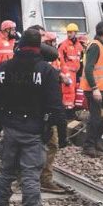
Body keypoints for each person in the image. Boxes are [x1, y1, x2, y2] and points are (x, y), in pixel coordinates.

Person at [0, 28, 63, 206]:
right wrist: (60, 135)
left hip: (10, 127)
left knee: (6, 171)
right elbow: (56, 106)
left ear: (19, 46)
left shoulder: (3, 69)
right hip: (33, 129)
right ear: (39, 46)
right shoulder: (47, 71)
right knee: (30, 175)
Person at [33, 28, 67, 195]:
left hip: (32, 112)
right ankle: (43, 179)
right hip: (44, 113)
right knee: (51, 144)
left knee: (32, 145)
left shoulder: (33, 61)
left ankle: (26, 176)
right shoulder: (44, 64)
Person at [80, 22, 103, 157]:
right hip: (94, 88)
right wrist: (95, 88)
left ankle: (95, 138)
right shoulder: (95, 46)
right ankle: (88, 146)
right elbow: (88, 68)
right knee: (95, 117)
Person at [57, 24, 83, 118]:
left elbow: (81, 60)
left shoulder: (79, 45)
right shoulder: (63, 45)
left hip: (75, 73)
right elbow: (61, 61)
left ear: (75, 33)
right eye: (68, 32)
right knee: (68, 92)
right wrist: (65, 74)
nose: (69, 34)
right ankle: (67, 113)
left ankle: (72, 111)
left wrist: (80, 74)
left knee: (75, 92)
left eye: (71, 32)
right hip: (67, 72)